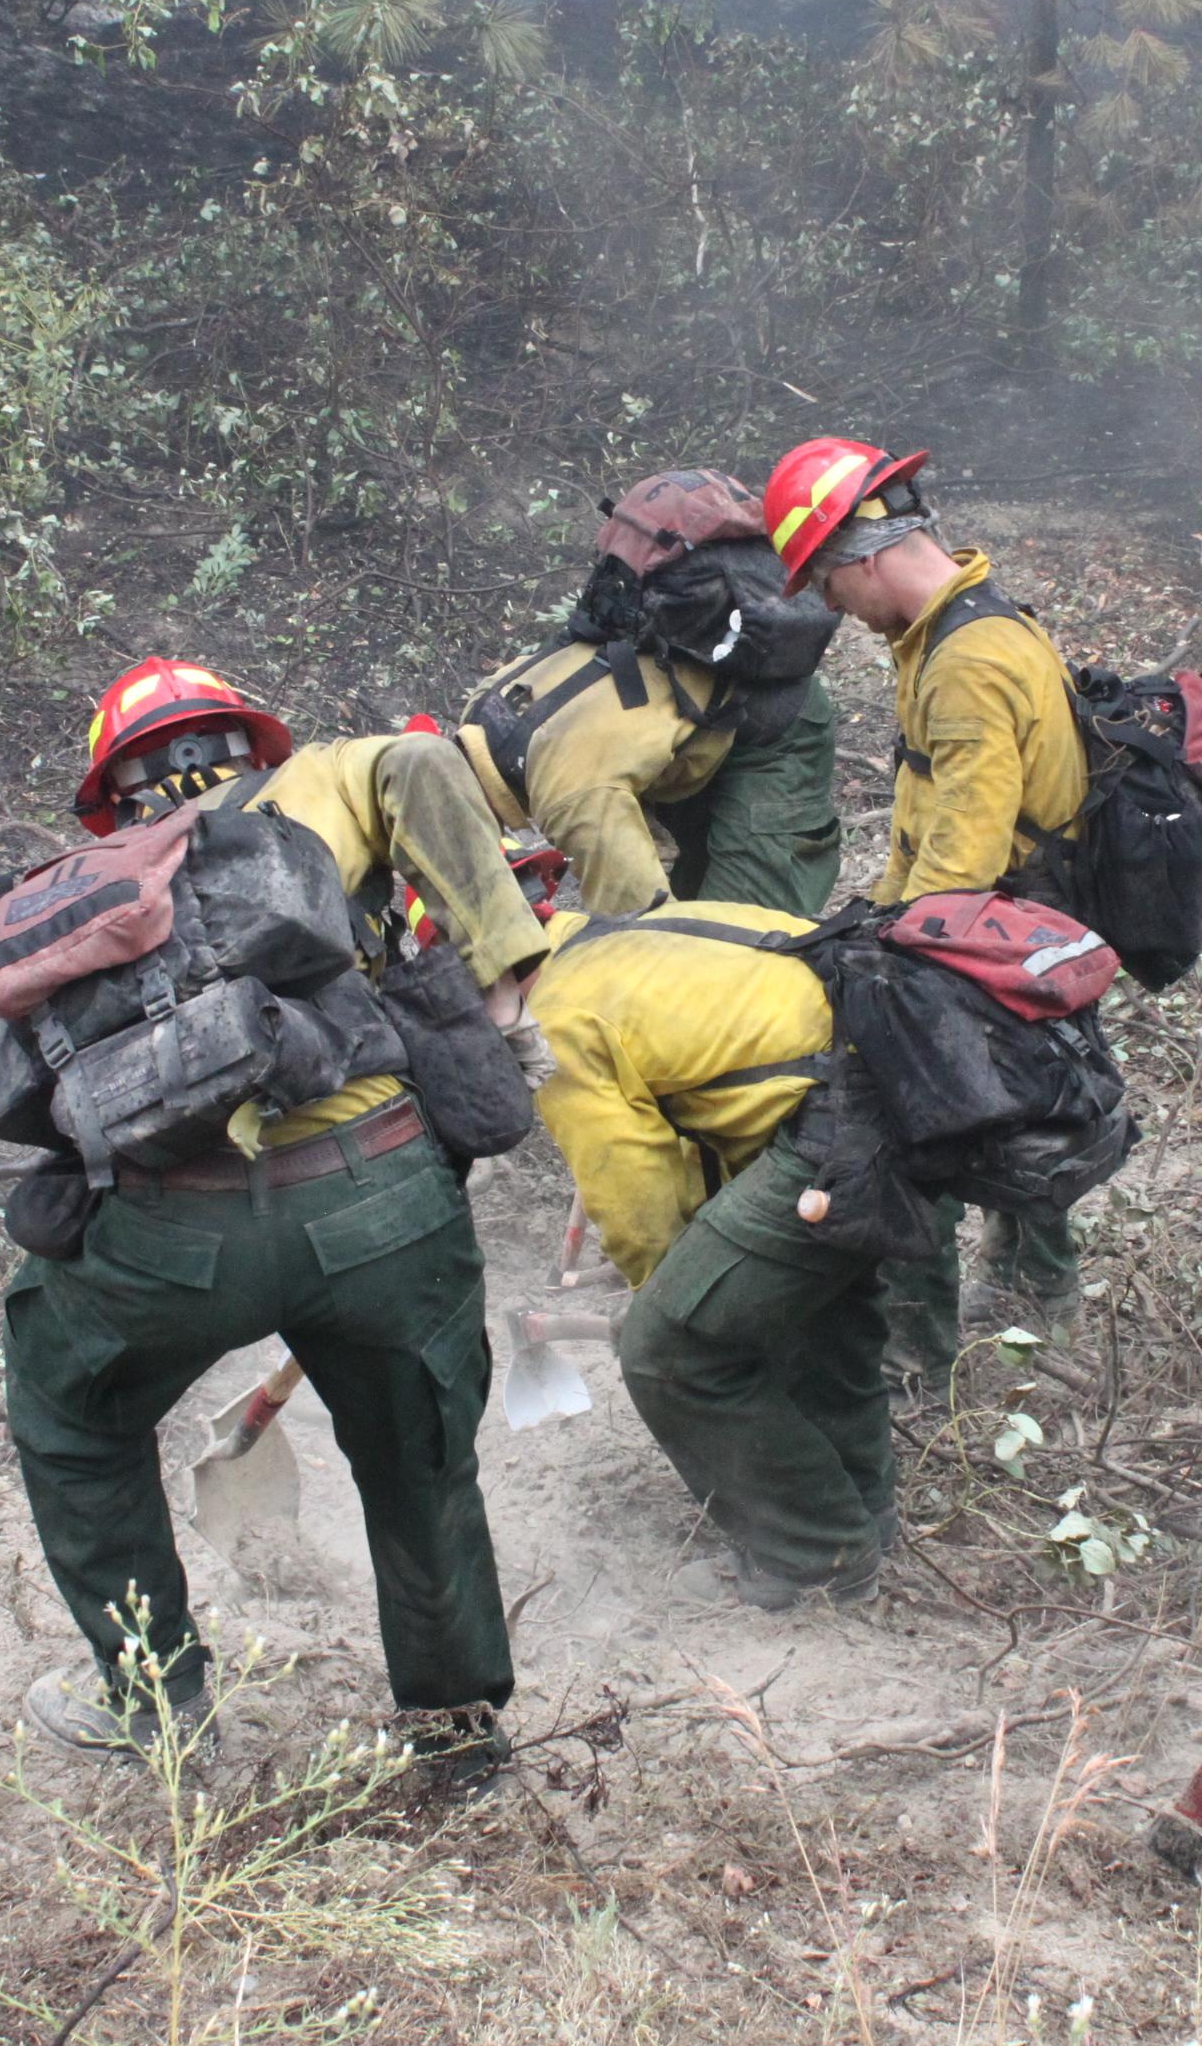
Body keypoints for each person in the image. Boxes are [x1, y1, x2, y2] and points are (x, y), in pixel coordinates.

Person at [5, 658, 550, 1778]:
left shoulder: (87, 882)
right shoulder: (330, 781)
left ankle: (151, 1697)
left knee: (74, 1416)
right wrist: (507, 986)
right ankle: (455, 1738)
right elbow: (418, 762)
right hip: (380, 1198)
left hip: (172, 1231)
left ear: (116, 791)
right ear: (257, 746)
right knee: (418, 1460)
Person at [763, 435, 1086, 1370]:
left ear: (861, 557)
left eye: (825, 584)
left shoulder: (966, 662)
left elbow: (964, 860)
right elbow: (936, 810)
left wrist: (891, 959)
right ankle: (1039, 1288)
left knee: (919, 1118)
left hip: (993, 925)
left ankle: (919, 1357)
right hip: (1026, 920)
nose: (829, 607)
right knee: (1023, 1107)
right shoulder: (958, 626)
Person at [523, 899, 894, 1610]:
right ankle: (863, 1514)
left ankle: (816, 1556)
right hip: (893, 1083)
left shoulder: (556, 1019)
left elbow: (638, 1204)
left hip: (838, 1123)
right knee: (820, 1305)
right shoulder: (630, 931)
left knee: (668, 1349)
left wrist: (671, 1299)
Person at [460, 470, 845, 921]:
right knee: (692, 897)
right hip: (688, 716)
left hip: (770, 722)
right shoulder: (486, 706)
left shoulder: (573, 792)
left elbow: (645, 930)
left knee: (733, 938)